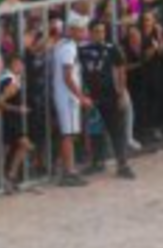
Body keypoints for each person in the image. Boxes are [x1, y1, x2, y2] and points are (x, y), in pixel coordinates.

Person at [78, 21, 136, 180]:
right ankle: (97, 162)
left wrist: (121, 94)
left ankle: (123, 165)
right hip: (92, 97)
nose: (100, 34)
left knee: (117, 130)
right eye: (96, 31)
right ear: (90, 32)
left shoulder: (112, 49)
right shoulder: (82, 49)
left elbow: (121, 71)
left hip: (111, 95)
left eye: (102, 31)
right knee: (95, 131)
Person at [53, 13, 92, 187]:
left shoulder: (64, 44)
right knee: (68, 134)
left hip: (66, 95)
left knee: (71, 133)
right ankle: (68, 173)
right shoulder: (68, 47)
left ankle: (63, 167)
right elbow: (67, 77)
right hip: (67, 96)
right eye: (81, 29)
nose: (85, 32)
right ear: (73, 30)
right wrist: (81, 97)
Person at [0, 55, 34, 192]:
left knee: (20, 146)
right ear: (12, 64)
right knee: (23, 145)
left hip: (11, 120)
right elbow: (0, 101)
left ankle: (9, 178)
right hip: (8, 120)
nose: (21, 67)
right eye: (18, 64)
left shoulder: (12, 79)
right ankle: (8, 178)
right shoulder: (10, 80)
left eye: (22, 64)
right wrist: (19, 109)